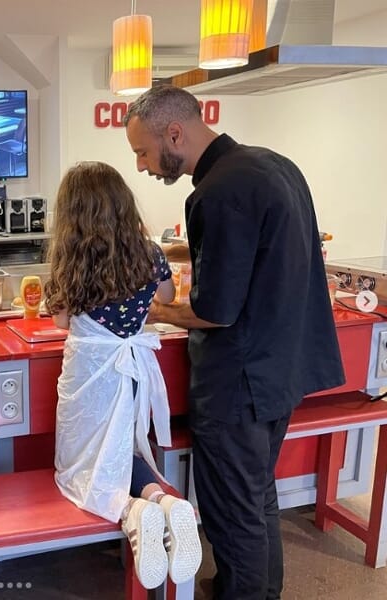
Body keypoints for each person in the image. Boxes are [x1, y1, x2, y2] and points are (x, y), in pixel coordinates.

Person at [123, 84, 344, 600]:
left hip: (238, 383)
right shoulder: (275, 166)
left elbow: (215, 312)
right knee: (258, 496)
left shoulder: (216, 193)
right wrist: (182, 248)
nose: (142, 165)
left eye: (143, 151)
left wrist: (152, 309)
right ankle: (258, 592)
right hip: (281, 371)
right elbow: (263, 256)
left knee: (232, 510)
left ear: (174, 133)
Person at [45, 161, 202, 590]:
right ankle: (162, 501)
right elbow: (166, 297)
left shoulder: (70, 256)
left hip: (88, 371)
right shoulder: (147, 251)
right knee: (124, 447)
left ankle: (133, 514)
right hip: (131, 367)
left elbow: (60, 319)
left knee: (79, 466)